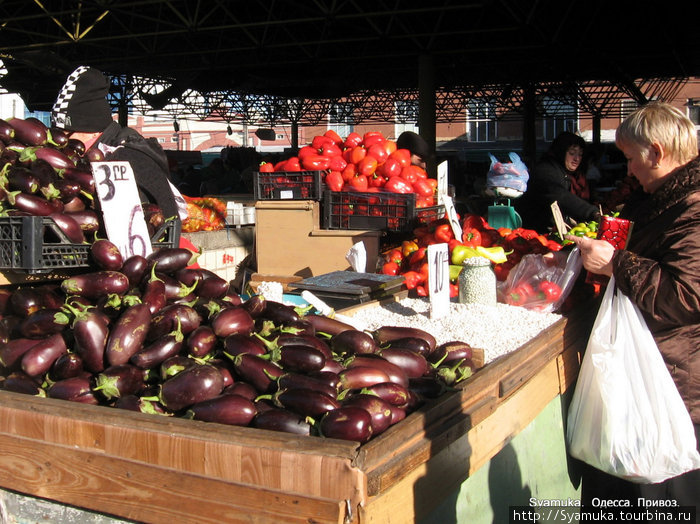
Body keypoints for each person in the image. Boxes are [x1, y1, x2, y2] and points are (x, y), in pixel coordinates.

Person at [566, 101, 700, 513]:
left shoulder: (693, 208)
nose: (628, 169)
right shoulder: (660, 197)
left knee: (655, 494)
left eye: (630, 158)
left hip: (668, 382)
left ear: (656, 153)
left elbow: (686, 295)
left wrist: (615, 263)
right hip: (642, 370)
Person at [51, 65, 184, 222]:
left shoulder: (127, 156)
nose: (60, 142)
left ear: (92, 131)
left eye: (66, 134)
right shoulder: (95, 156)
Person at [516, 131, 599, 232]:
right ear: (561, 151)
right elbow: (560, 195)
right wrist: (591, 212)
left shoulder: (575, 175)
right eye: (572, 153)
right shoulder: (545, 170)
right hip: (537, 231)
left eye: (580, 154)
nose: (576, 159)